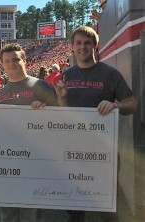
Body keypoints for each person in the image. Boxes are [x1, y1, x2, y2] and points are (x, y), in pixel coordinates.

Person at [54, 26, 137, 222]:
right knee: (74, 206)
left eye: (87, 43)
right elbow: (62, 114)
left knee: (107, 205)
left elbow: (132, 103)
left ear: (95, 46)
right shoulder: (67, 76)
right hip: (73, 149)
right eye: (78, 43)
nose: (82, 47)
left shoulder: (109, 73)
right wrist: (62, 99)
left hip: (104, 150)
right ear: (72, 47)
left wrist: (115, 105)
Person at [0, 43, 65, 222]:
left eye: (16, 59)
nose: (12, 64)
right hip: (7, 159)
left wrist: (45, 112)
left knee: (33, 213)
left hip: (35, 159)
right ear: (2, 65)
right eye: (7, 61)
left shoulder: (41, 86)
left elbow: (60, 119)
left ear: (25, 61)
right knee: (7, 213)